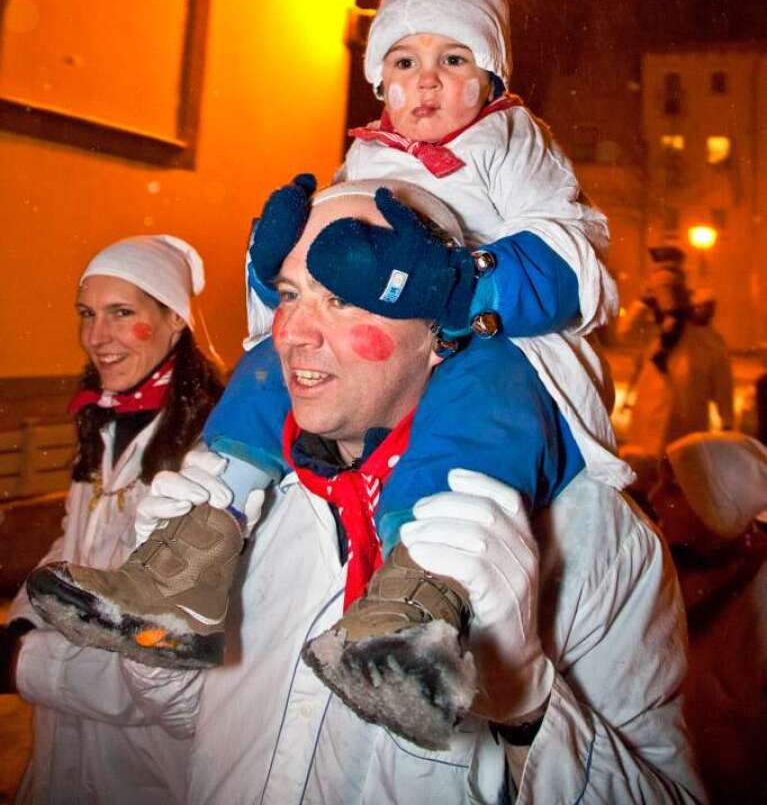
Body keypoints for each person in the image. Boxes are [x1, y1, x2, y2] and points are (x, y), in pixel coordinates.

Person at [59, 185, 703, 803]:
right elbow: (180, 722)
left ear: (439, 334)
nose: (292, 334)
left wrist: (525, 706)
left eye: (343, 300)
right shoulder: (250, 501)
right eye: (290, 294)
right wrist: (160, 630)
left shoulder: (593, 540)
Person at [4, 235, 223, 805]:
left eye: (122, 313)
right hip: (67, 743)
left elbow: (164, 660)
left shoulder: (208, 453)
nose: (96, 337)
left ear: (175, 319)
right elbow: (73, 546)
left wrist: (24, 665)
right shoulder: (105, 420)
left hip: (147, 765)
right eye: (88, 314)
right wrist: (25, 619)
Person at [650, 431, 767, 804]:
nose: (653, 498)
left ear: (713, 506)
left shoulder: (754, 599)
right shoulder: (678, 577)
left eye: (674, 490)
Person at [620, 251, 733, 460]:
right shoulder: (657, 334)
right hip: (648, 432)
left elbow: (722, 383)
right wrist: (643, 302)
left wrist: (727, 421)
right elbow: (625, 332)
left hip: (685, 432)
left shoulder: (708, 342)